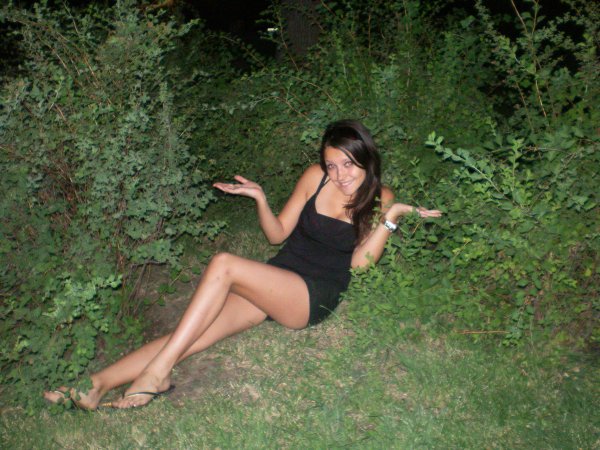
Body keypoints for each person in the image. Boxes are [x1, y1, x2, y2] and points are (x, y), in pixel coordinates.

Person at [44, 119, 442, 409]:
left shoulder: (382, 197)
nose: (339, 175)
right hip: (277, 279)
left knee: (225, 264)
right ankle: (95, 385)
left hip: (312, 296)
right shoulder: (315, 178)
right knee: (192, 333)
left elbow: (358, 265)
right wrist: (260, 199)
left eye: (348, 165)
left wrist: (392, 218)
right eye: (332, 165)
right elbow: (277, 235)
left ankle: (156, 374)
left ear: (366, 158)